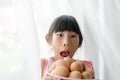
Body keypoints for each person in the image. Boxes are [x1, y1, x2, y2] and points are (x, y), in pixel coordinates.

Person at [41, 15, 94, 79]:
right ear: (49, 39)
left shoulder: (86, 67)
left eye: (73, 36)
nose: (66, 42)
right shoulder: (43, 65)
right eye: (60, 35)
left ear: (80, 42)